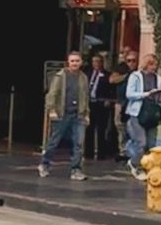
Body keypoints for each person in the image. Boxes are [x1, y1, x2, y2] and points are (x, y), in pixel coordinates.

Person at [39, 51, 89, 182]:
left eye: (77, 61)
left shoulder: (83, 77)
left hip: (78, 114)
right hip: (62, 113)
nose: (75, 63)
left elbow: (85, 97)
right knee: (55, 140)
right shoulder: (60, 76)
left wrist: (86, 113)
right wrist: (51, 110)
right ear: (68, 62)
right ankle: (44, 164)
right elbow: (52, 94)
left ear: (81, 62)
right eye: (72, 61)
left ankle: (76, 169)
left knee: (78, 143)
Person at [124, 51, 161, 179]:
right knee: (141, 142)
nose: (154, 67)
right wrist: (146, 94)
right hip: (138, 112)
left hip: (152, 112)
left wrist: (159, 97)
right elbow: (129, 94)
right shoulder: (136, 76)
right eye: (151, 64)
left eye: (155, 65)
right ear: (146, 65)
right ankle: (134, 163)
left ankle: (148, 167)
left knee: (152, 144)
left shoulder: (158, 78)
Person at [85, 52, 110, 161]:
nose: (96, 64)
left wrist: (108, 100)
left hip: (101, 103)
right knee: (89, 128)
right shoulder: (88, 74)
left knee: (101, 129)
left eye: (98, 61)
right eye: (94, 61)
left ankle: (101, 153)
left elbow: (110, 88)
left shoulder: (107, 75)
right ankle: (88, 153)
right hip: (90, 103)